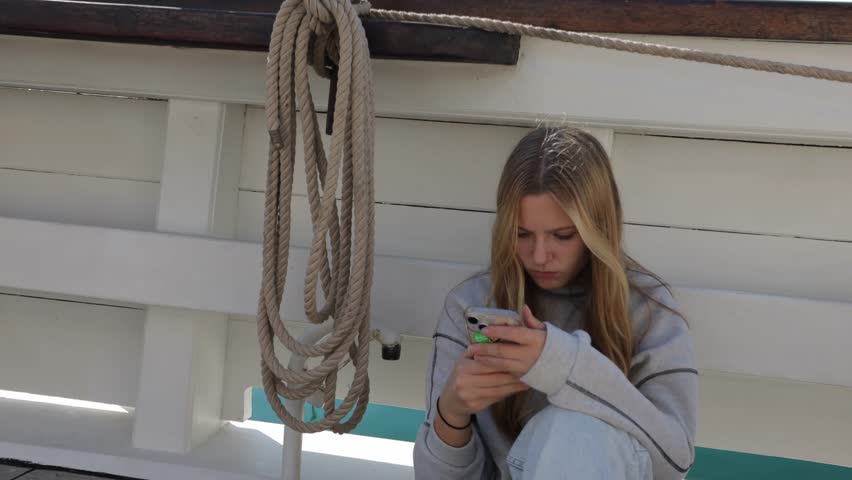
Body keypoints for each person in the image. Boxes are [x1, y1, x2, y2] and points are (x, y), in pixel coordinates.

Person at [412, 127, 698, 480]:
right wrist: (450, 414)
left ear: (598, 228)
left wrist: (565, 366)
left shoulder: (647, 308)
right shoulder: (470, 303)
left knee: (573, 428)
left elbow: (675, 462)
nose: (540, 255)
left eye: (563, 236)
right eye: (521, 234)